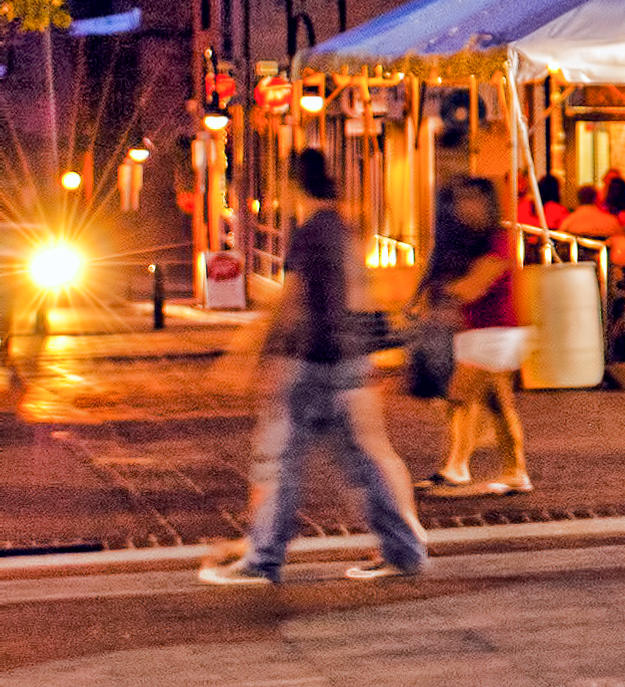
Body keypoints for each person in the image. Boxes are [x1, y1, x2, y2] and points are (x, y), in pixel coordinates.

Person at [199, 151, 427, 585]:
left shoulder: (308, 233)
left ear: (292, 186)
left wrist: (255, 355)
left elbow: (292, 301)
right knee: (361, 464)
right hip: (346, 363)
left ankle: (263, 558)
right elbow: (361, 297)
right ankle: (403, 550)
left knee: (279, 462)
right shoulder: (345, 230)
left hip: (310, 364)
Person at [419, 177, 532, 498]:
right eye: (462, 199)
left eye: (473, 199)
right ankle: (515, 471)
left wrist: (450, 292)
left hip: (497, 332)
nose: (466, 206)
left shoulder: (498, 238)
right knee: (497, 405)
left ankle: (456, 468)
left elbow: (478, 283)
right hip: (479, 332)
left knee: (459, 398)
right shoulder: (467, 240)